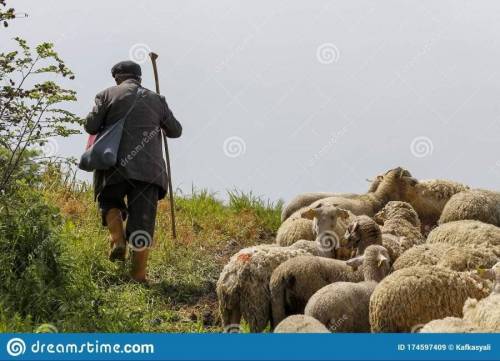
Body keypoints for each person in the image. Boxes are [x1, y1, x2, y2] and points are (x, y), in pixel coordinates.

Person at [84, 60, 182, 283]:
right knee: (142, 222)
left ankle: (117, 239)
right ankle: (138, 276)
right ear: (139, 78)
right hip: (149, 172)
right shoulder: (157, 100)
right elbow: (175, 131)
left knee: (109, 199)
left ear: (117, 78)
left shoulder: (107, 94)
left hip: (113, 164)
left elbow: (90, 126)